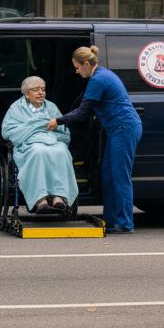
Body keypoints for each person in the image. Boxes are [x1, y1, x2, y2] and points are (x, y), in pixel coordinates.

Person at [48, 46, 142, 234]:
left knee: (120, 177)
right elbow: (81, 102)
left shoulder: (98, 80)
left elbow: (82, 113)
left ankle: (125, 224)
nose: (76, 71)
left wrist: (57, 121)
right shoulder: (101, 75)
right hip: (118, 130)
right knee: (107, 174)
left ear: (86, 64)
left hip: (124, 129)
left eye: (77, 67)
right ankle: (111, 219)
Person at [1, 76, 78, 215]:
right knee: (38, 151)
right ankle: (40, 199)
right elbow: (8, 131)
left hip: (53, 140)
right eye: (36, 90)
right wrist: (35, 128)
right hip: (29, 144)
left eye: (43, 89)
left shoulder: (51, 107)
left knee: (61, 151)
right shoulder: (16, 108)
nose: (41, 93)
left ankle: (59, 197)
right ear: (27, 94)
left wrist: (52, 132)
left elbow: (64, 130)